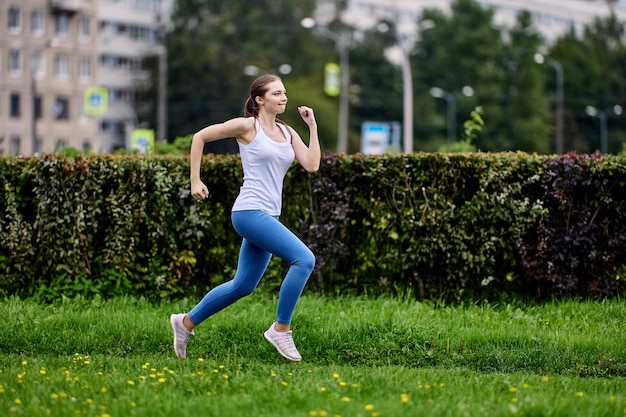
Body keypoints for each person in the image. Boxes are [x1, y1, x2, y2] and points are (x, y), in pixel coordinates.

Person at [170, 74, 321, 362]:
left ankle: (185, 323)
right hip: (249, 211)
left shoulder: (288, 132)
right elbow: (200, 137)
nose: (284, 98)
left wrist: (312, 126)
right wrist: (195, 181)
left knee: (243, 285)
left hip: (269, 214)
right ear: (259, 100)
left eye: (284, 92)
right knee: (304, 260)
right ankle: (281, 328)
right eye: (276, 93)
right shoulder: (247, 127)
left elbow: (311, 164)